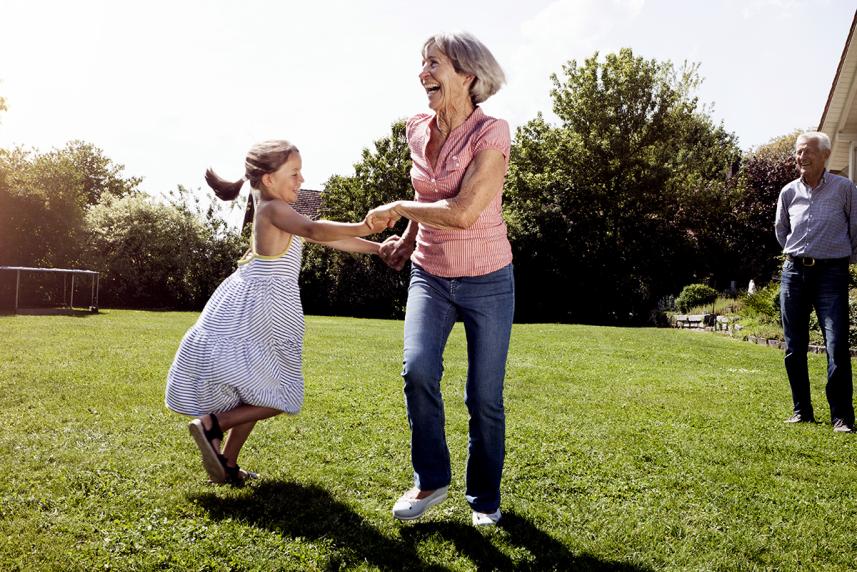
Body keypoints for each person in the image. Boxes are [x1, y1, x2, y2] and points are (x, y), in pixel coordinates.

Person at [165, 140, 384, 484]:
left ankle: (228, 465)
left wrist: (379, 248)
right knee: (279, 395)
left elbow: (325, 238)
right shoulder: (272, 208)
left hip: (250, 302)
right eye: (294, 173)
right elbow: (315, 229)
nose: (301, 179)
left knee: (253, 388)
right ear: (268, 179)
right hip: (266, 308)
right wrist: (363, 226)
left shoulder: (275, 208)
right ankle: (213, 424)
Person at [367, 32, 514, 526]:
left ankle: (485, 501)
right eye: (422, 63)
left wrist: (398, 208)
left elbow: (465, 210)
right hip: (430, 272)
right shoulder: (415, 128)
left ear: (468, 75)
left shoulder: (492, 133)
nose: (423, 73)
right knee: (418, 370)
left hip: (489, 279)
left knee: (484, 397)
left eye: (434, 64)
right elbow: (430, 194)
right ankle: (431, 481)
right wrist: (408, 240)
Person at [775, 131, 857, 433]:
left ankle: (842, 418)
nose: (801, 157)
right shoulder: (788, 192)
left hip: (831, 274)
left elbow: (855, 229)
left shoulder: (845, 189)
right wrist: (798, 256)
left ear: (825, 155)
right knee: (794, 346)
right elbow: (782, 231)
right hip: (793, 274)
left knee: (836, 344)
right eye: (798, 152)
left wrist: (838, 259)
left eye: (808, 151)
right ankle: (802, 411)